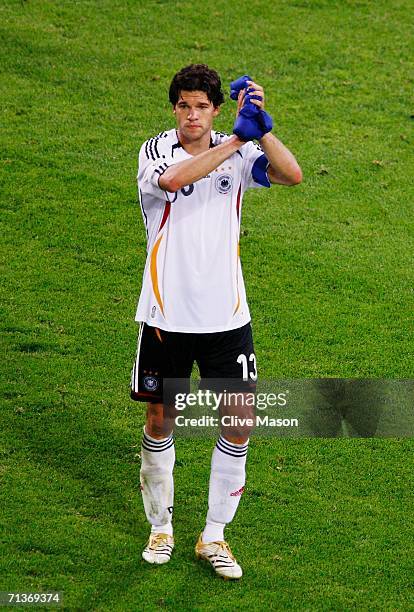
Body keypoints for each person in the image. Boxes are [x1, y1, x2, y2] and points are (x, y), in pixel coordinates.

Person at [130, 64, 302, 579]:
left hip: (227, 316)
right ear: (174, 108)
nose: (191, 115)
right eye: (184, 105)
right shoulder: (156, 150)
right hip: (167, 315)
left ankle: (215, 536)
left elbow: (291, 174)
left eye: (201, 107)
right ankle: (161, 527)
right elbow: (176, 179)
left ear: (215, 109)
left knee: (239, 423)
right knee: (161, 421)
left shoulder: (239, 143)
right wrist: (235, 143)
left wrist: (262, 128)